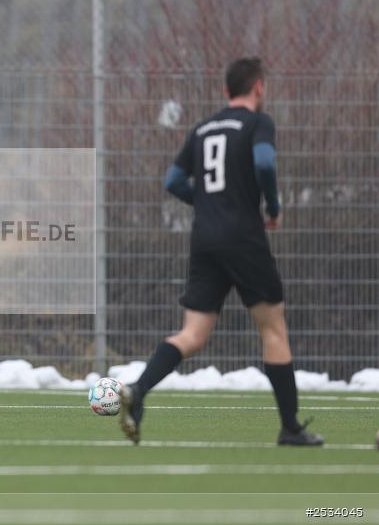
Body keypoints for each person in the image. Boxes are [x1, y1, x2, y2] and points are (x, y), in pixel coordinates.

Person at [119, 58, 322, 447]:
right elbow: (264, 161)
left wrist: (209, 202)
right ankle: (291, 429)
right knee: (273, 329)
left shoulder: (203, 128)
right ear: (259, 87)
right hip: (244, 237)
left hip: (205, 239)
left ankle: (139, 390)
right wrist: (273, 208)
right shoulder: (258, 123)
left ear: (226, 91)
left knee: (192, 334)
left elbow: (173, 180)